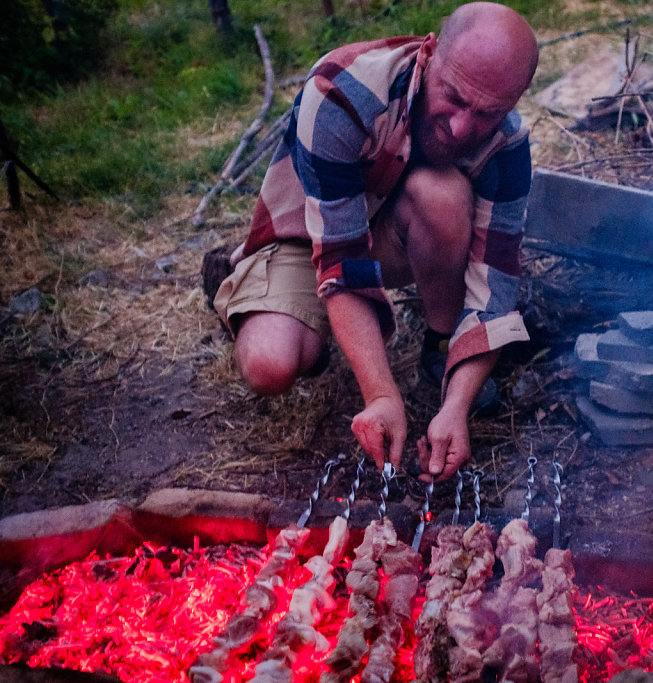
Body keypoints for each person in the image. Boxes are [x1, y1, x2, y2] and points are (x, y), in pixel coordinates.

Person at [209, 2, 539, 483]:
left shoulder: (509, 146)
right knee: (270, 366)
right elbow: (342, 260)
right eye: (454, 97)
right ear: (428, 53)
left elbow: (494, 291)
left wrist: (457, 406)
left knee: (441, 195)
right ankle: (247, 287)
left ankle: (440, 347)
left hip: (391, 233)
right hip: (308, 238)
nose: (462, 127)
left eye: (489, 112)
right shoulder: (341, 91)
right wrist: (381, 394)